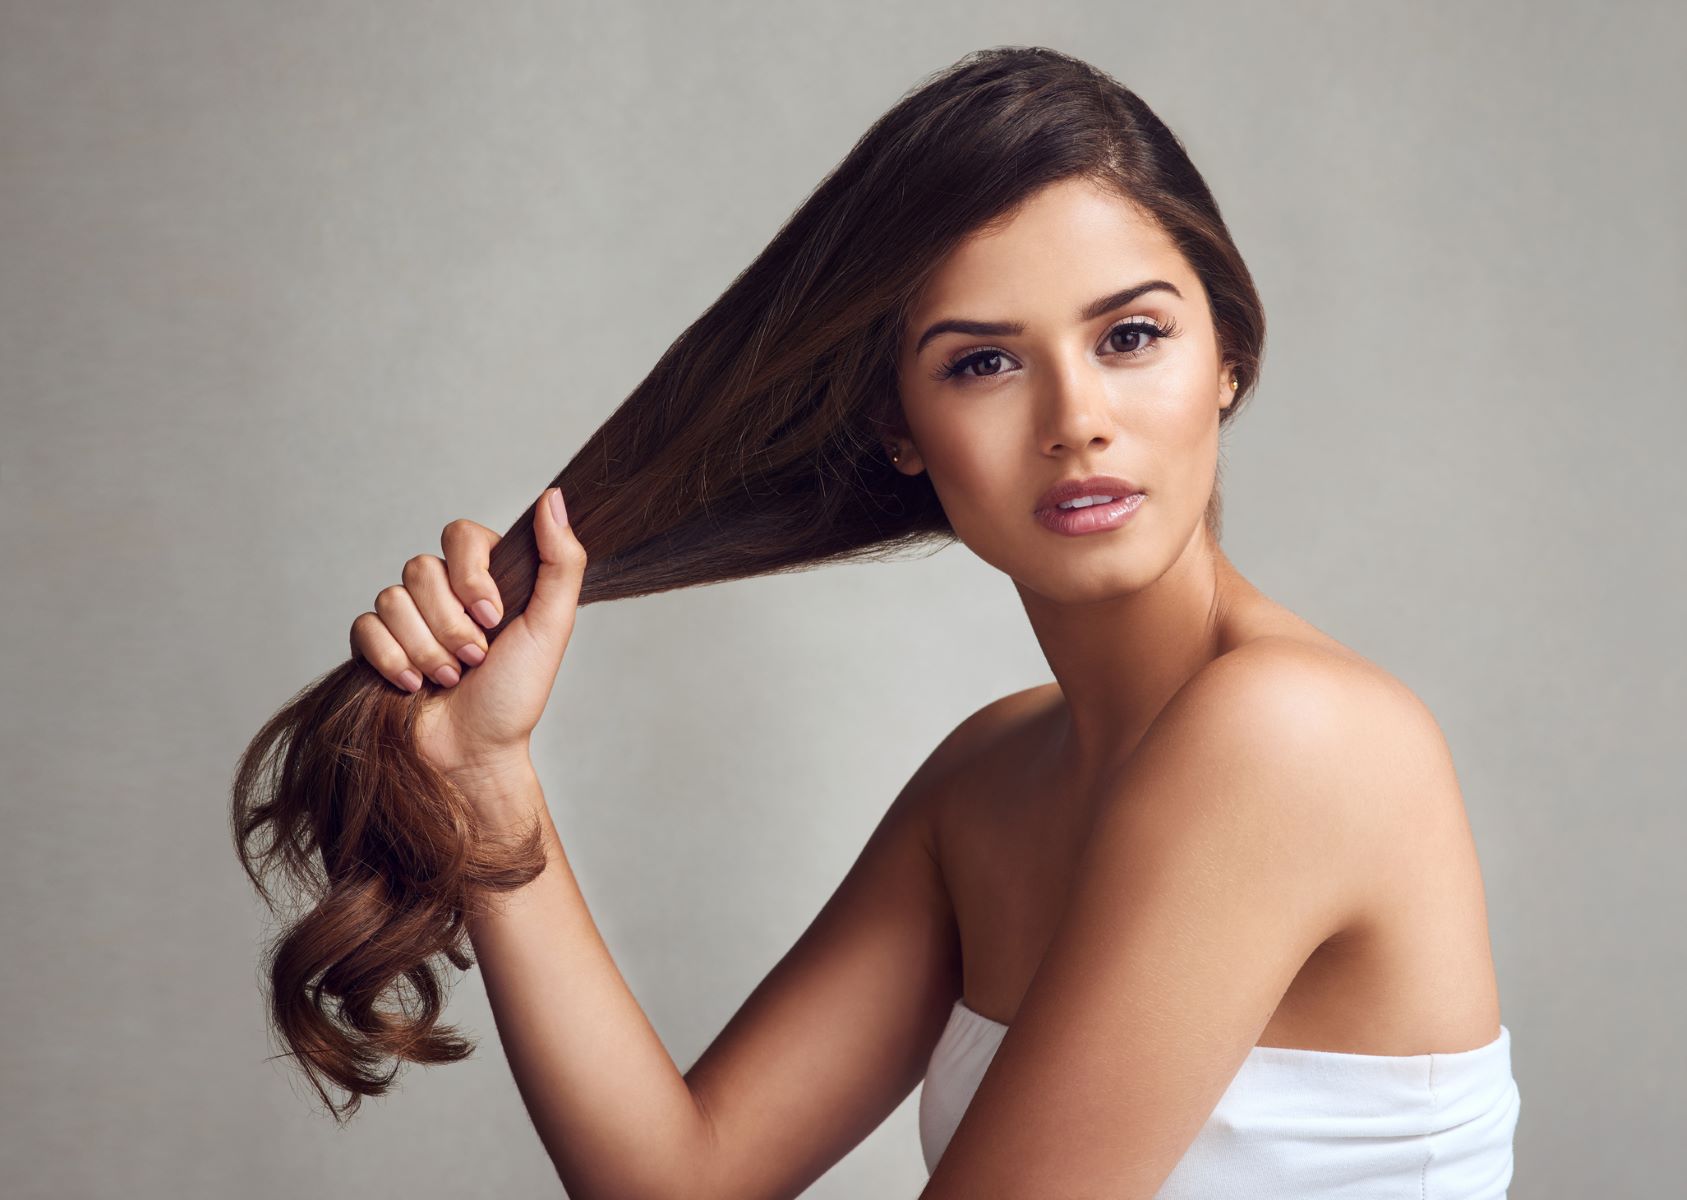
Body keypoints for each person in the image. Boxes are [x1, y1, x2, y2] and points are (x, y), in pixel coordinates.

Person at [234, 45, 1519, 1199]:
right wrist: (482, 779)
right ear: (899, 430)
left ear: (1225, 355)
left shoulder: (1295, 737)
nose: (1076, 416)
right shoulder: (986, 781)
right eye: (983, 361)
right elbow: (681, 1185)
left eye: (1130, 335)